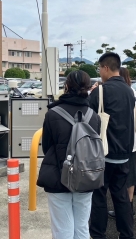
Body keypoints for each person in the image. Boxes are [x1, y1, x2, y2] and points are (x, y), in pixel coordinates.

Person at [36, 70, 101, 239]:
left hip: (58, 175)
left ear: (66, 86)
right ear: (88, 87)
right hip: (86, 175)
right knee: (81, 226)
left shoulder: (53, 114)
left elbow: (47, 147)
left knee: (62, 228)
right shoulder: (93, 115)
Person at [89, 52, 135, 239]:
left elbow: (88, 118)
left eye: (100, 68)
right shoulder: (129, 91)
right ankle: (126, 234)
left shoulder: (100, 91)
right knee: (121, 195)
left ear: (106, 68)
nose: (100, 72)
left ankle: (98, 234)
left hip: (104, 153)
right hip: (125, 152)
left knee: (99, 196)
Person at [108, 67, 136, 219]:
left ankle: (126, 209)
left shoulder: (124, 92)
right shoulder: (131, 91)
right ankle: (128, 208)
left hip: (121, 143)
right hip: (130, 142)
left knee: (122, 179)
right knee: (130, 177)